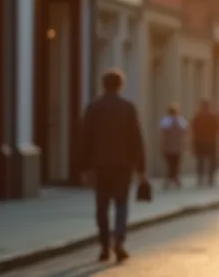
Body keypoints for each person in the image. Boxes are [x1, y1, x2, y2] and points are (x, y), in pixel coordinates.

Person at [77, 69, 147, 263]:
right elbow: (136, 139)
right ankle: (119, 240)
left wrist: (83, 167)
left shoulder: (93, 107)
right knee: (121, 203)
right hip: (122, 165)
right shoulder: (128, 108)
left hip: (100, 165)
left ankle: (104, 246)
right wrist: (141, 168)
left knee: (101, 205)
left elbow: (85, 139)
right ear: (120, 85)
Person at [190, 100, 219, 187]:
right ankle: (202, 177)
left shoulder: (210, 117)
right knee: (201, 161)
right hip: (202, 142)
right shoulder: (199, 117)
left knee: (209, 161)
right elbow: (193, 128)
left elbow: (218, 129)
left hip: (209, 142)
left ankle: (209, 177)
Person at [158, 104, 187, 189]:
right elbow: (163, 134)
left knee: (176, 164)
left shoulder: (180, 120)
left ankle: (174, 179)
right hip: (169, 147)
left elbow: (184, 132)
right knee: (170, 164)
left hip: (177, 147)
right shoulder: (166, 121)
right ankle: (171, 179)